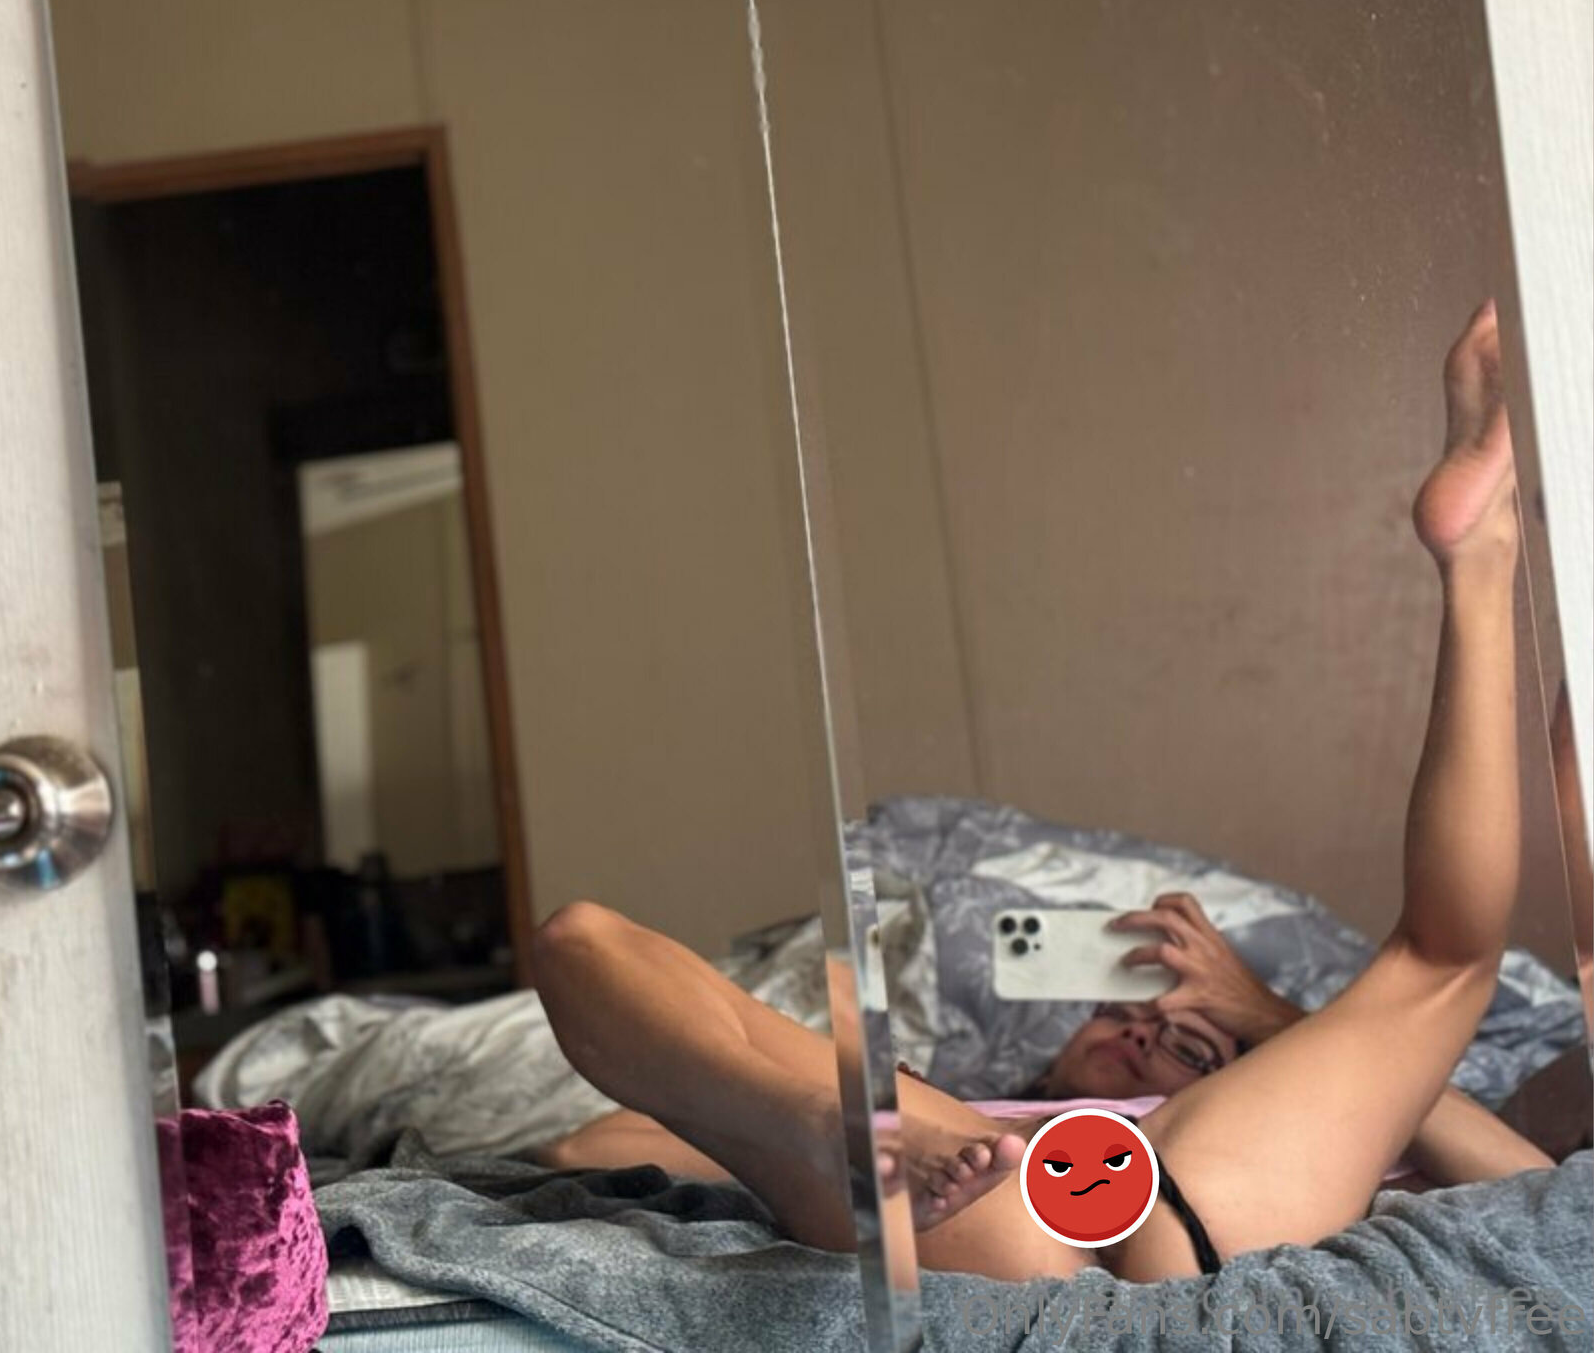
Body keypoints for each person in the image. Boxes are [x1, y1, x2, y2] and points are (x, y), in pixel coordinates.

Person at [531, 301, 1556, 1280]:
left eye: (1191, 1047)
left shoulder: (1268, 1125)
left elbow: (1535, 1193)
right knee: (580, 938)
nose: (1143, 1030)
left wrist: (1270, 1015)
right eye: (1128, 1017)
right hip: (1009, 1196)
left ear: (1252, 1083)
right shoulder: (963, 1127)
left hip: (1119, 1207)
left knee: (1441, 964)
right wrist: (863, 1103)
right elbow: (585, 1150)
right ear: (1053, 1053)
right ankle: (1479, 553)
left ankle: (838, 1130)